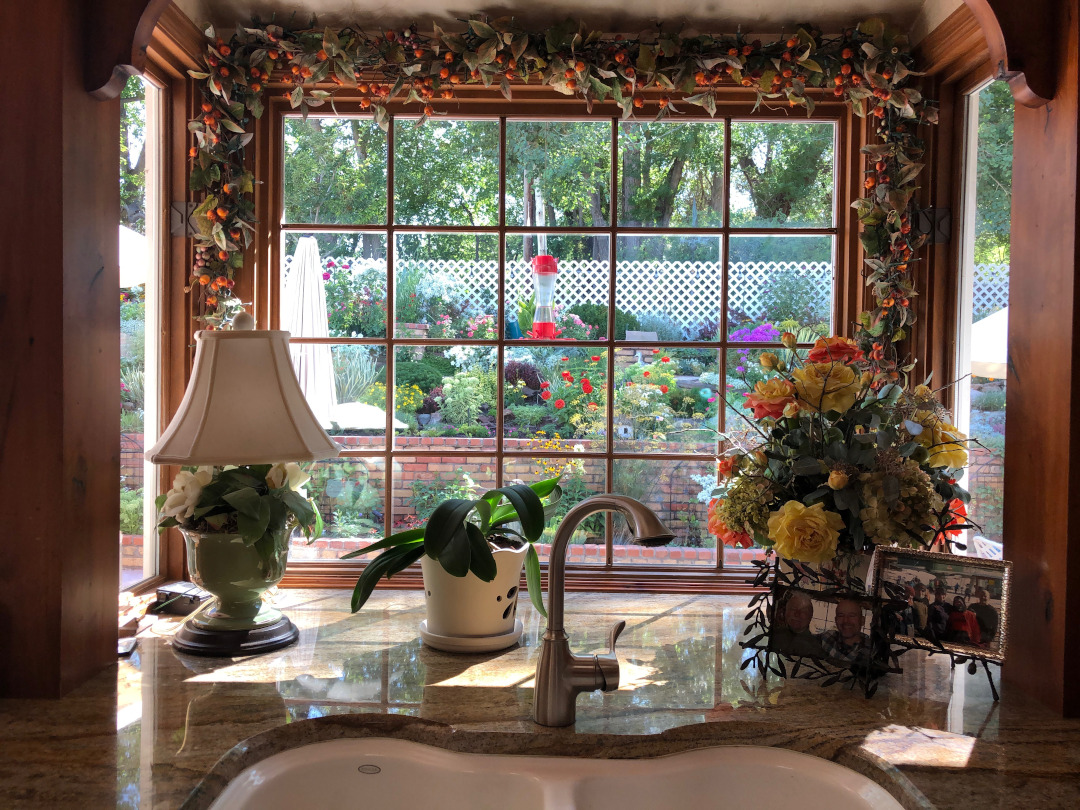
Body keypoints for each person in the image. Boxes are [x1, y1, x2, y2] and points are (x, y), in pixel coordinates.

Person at [770, 591, 827, 658]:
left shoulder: (818, 646)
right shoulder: (773, 637)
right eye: (793, 609)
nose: (797, 614)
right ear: (785, 612)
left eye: (803, 611)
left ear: (810, 616)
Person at [817, 598, 870, 665]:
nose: (846, 621)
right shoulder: (827, 638)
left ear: (862, 620)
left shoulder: (871, 650)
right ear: (836, 620)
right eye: (841, 615)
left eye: (852, 615)